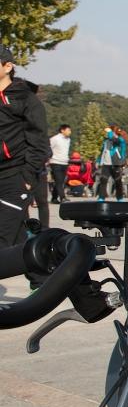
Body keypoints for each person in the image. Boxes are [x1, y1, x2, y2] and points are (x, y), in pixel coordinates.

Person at [0, 46, 50, 285]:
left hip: (16, 176)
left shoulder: (26, 99)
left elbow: (40, 143)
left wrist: (27, 176)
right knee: (19, 233)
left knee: (2, 233)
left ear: (7, 66)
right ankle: (41, 278)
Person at [95, 125, 127, 201]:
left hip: (116, 163)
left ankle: (120, 198)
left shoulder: (120, 140)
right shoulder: (106, 140)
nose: (107, 133)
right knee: (103, 180)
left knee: (118, 181)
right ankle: (101, 197)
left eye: (109, 132)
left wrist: (109, 132)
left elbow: (114, 140)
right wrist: (98, 161)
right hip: (106, 163)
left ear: (113, 132)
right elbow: (102, 151)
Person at [48, 124, 72, 202]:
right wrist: (48, 159)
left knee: (61, 181)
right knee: (58, 180)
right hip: (55, 162)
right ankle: (63, 197)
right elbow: (49, 148)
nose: (70, 132)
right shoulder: (55, 139)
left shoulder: (68, 139)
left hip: (64, 162)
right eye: (68, 130)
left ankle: (54, 198)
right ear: (62, 130)